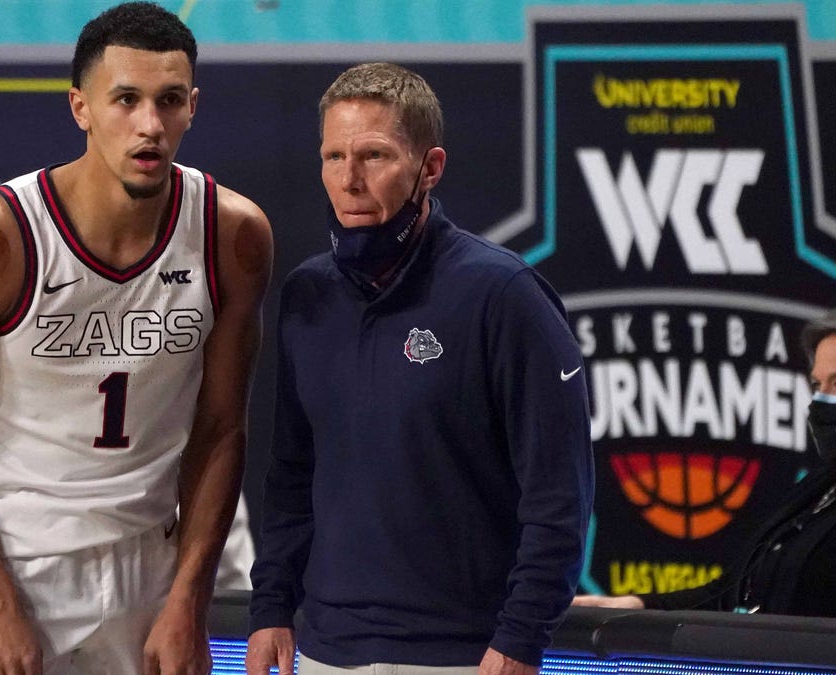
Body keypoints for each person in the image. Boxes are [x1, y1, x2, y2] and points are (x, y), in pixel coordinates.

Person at [0, 3, 273, 674]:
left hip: (152, 569)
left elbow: (222, 427)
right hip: (17, 563)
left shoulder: (233, 235)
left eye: (168, 102)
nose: (149, 126)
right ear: (81, 107)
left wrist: (191, 597)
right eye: (125, 100)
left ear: (193, 107)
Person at [245, 63, 594, 675]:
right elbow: (291, 474)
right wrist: (272, 604)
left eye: (374, 156)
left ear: (429, 167)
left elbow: (559, 494)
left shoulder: (503, 292)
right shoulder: (306, 295)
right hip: (326, 650)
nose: (349, 180)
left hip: (465, 655)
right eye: (333, 157)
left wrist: (520, 639)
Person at [574, 309, 836, 616]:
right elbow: (729, 594)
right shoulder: (817, 489)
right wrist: (637, 605)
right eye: (818, 386)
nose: (822, 401)